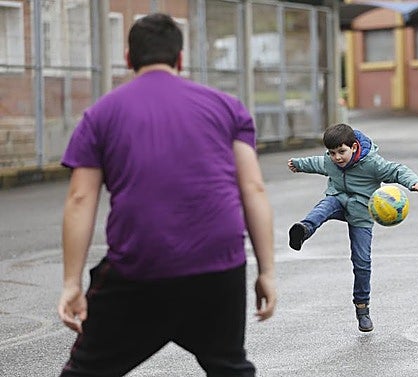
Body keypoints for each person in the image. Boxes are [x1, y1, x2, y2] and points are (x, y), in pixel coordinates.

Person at [57, 13, 276, 377]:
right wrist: (267, 270)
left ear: (128, 59)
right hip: (219, 266)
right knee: (229, 368)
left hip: (142, 267)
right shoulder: (227, 107)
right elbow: (252, 187)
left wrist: (70, 283)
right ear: (180, 59)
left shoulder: (100, 115)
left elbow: (80, 199)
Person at [287, 123, 418, 332]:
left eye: (341, 152)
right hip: (338, 201)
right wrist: (298, 164)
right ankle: (304, 230)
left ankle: (362, 309)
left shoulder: (372, 164)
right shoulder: (330, 161)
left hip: (361, 212)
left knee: (361, 261)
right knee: (324, 207)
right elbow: (316, 163)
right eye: (332, 153)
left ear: (354, 146)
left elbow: (396, 170)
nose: (337, 158)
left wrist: (413, 181)